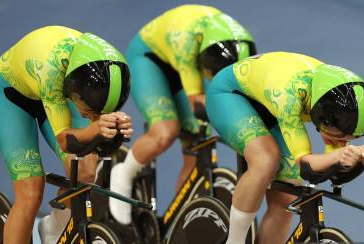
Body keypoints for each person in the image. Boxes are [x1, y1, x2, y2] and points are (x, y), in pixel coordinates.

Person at [206, 52, 364, 244]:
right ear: (323, 114)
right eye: (337, 134)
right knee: (265, 161)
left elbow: (332, 170)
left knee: (287, 199)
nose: (340, 141)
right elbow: (308, 165)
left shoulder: (329, 96)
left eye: (349, 138)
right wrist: (340, 157)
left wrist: (357, 160)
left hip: (268, 108)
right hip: (232, 97)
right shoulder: (289, 95)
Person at [0, 26, 132, 244]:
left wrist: (110, 132)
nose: (92, 115)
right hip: (14, 96)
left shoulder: (105, 70)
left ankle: (54, 224)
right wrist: (96, 130)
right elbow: (67, 142)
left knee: (86, 172)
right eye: (89, 109)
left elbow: (90, 140)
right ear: (75, 88)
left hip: (55, 95)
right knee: (31, 191)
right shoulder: (54, 71)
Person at [109, 4, 256, 224]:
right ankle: (123, 173)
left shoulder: (244, 49)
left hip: (193, 61)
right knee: (166, 131)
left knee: (195, 141)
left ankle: (178, 220)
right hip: (150, 59)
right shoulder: (187, 40)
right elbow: (196, 99)